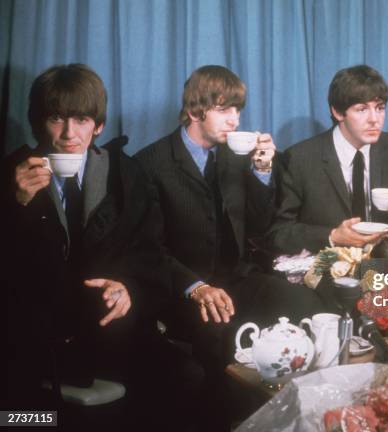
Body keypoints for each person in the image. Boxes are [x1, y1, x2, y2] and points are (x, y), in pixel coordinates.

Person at [0, 64, 203, 430]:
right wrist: (15, 205)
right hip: (36, 336)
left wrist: (131, 288)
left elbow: (151, 253)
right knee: (21, 418)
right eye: (56, 118)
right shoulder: (11, 174)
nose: (68, 134)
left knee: (186, 379)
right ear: (38, 122)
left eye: (81, 120)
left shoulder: (126, 174)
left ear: (99, 125)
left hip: (112, 330)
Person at [135, 65, 321, 430]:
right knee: (221, 340)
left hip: (237, 278)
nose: (234, 120)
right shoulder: (149, 164)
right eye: (224, 110)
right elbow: (147, 248)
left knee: (307, 305)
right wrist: (196, 287)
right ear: (194, 112)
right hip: (184, 292)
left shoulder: (236, 155)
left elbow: (260, 228)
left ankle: (295, 418)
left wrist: (263, 172)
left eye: (237, 110)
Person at [267, 64, 388, 255]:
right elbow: (279, 234)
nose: (374, 119)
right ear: (337, 112)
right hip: (325, 263)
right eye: (362, 109)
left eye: (380, 108)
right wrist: (333, 235)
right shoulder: (300, 158)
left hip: (379, 257)